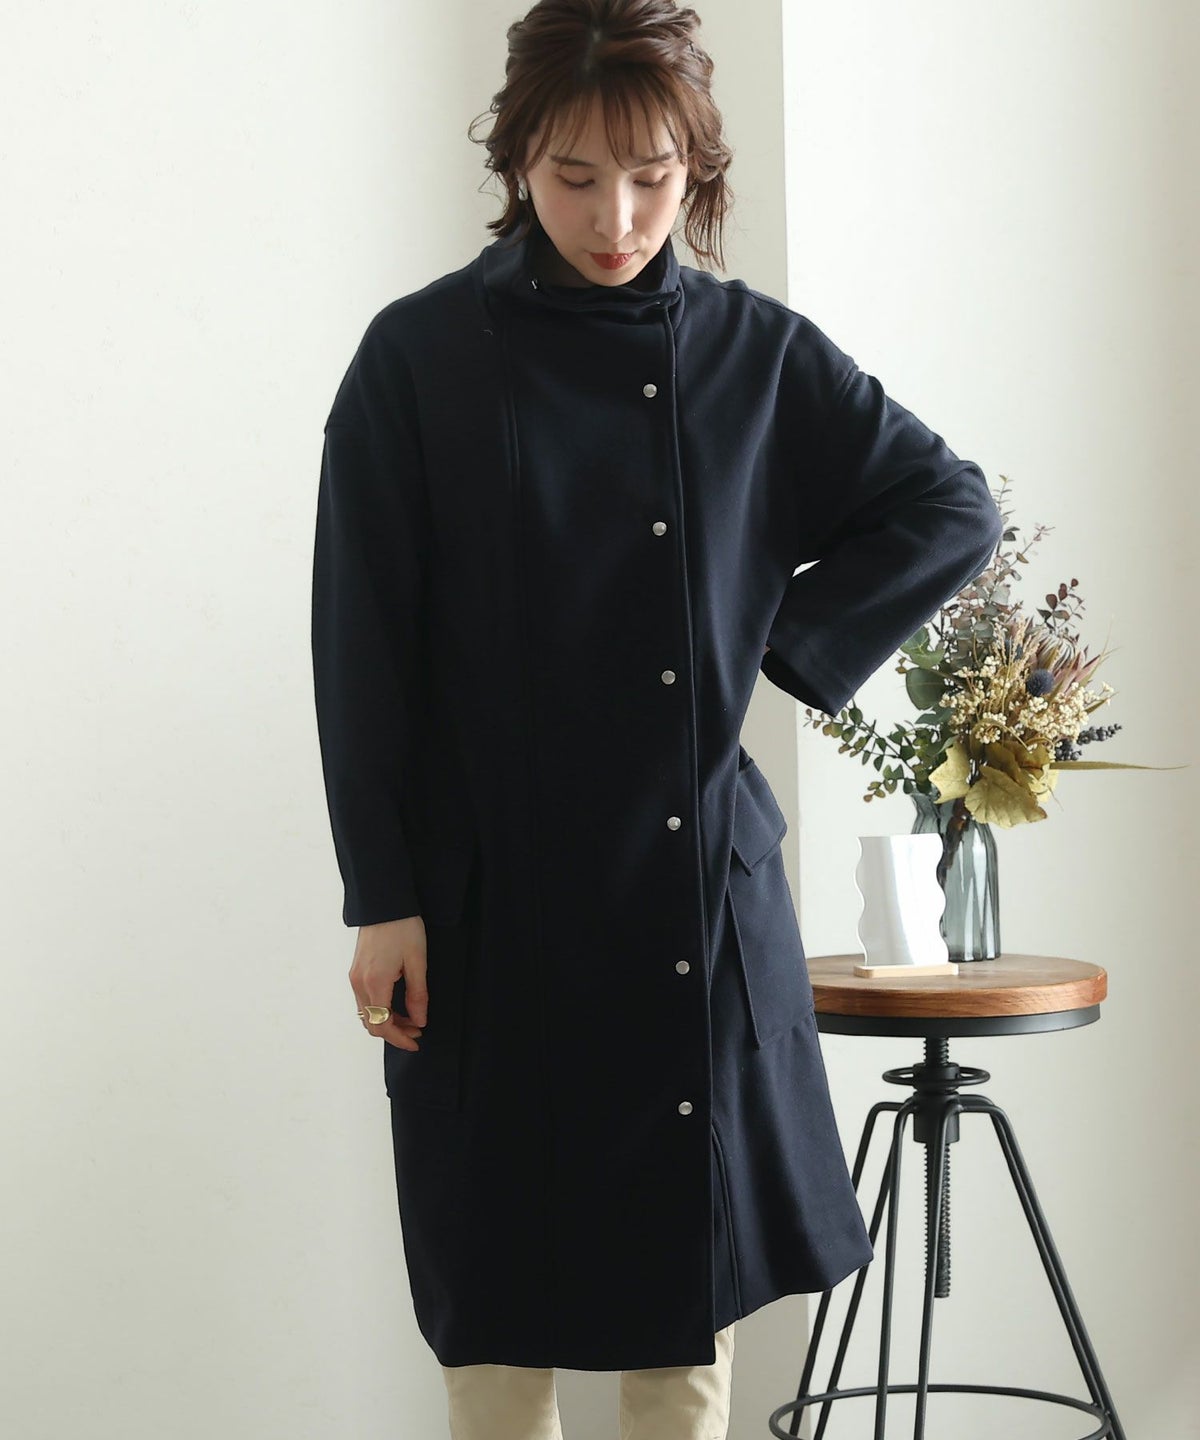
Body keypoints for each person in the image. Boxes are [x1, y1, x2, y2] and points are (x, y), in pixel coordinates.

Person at [310, 2, 1004, 1436]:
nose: (616, 218)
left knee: (683, 1322)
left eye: (653, 178)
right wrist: (383, 895)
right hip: (486, 895)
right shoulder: (419, 356)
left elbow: (949, 505)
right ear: (518, 161)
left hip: (687, 895)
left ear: (699, 168)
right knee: (491, 1311)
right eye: (575, 177)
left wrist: (780, 643)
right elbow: (359, 647)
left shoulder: (755, 352)